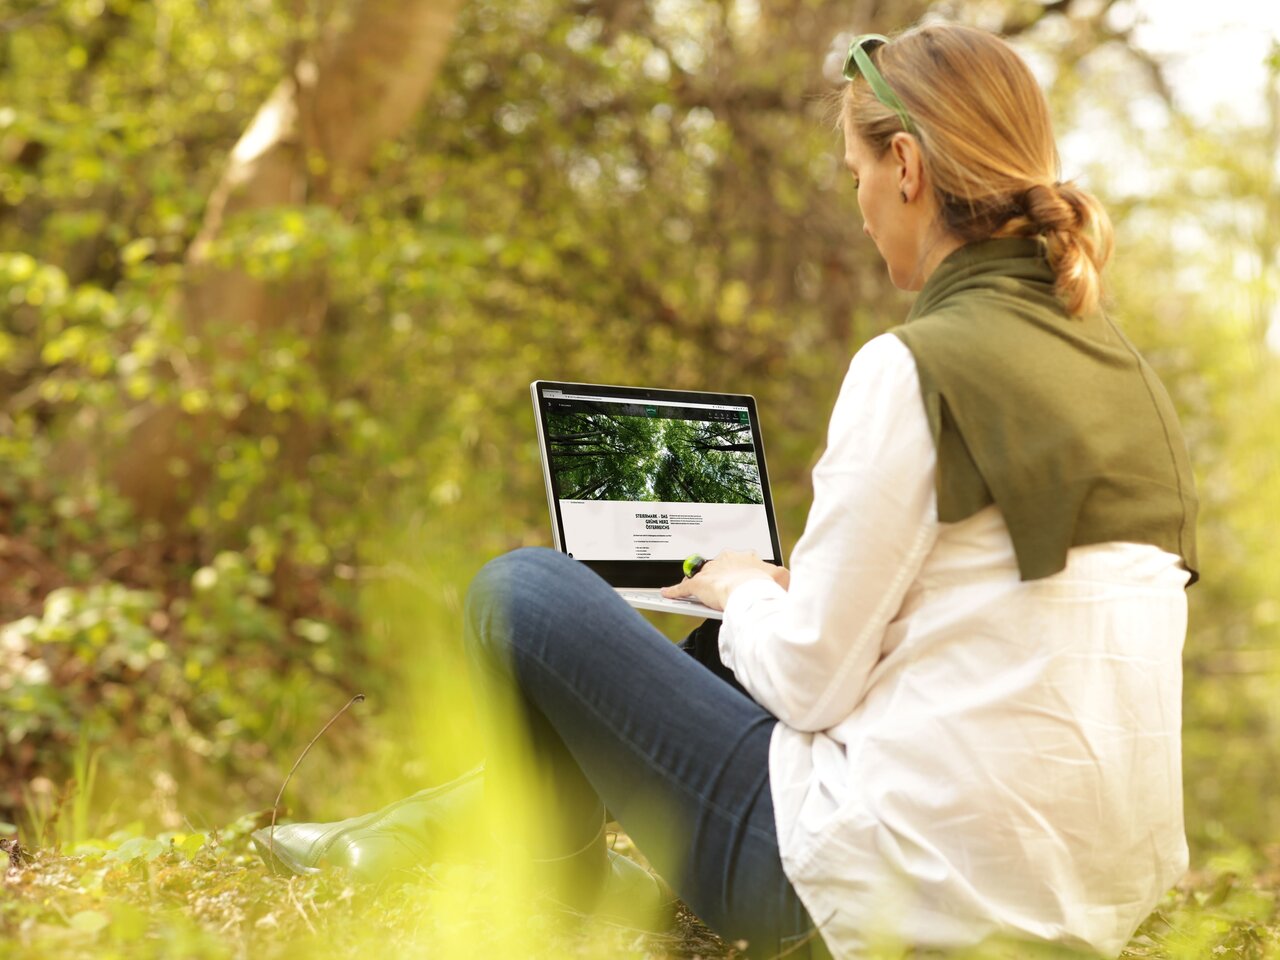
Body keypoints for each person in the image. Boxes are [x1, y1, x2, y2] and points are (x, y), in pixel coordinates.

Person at [253, 21, 1198, 958]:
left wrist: (742, 586)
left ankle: (547, 875)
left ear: (906, 166)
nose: (861, 206)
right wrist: (779, 601)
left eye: (857, 175)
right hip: (1080, 907)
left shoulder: (916, 367)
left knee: (525, 592)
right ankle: (423, 830)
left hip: (873, 897)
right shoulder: (1127, 381)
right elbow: (994, 627)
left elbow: (811, 684)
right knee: (720, 644)